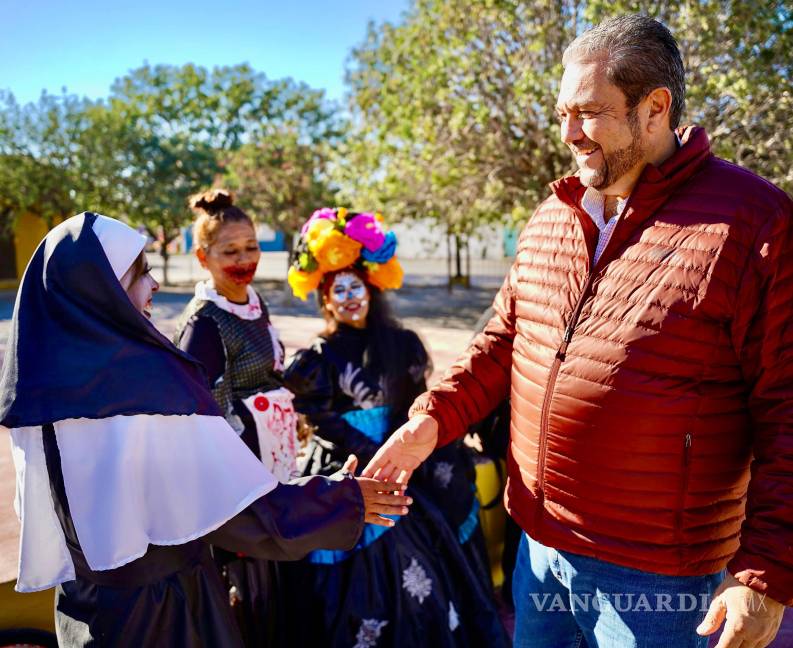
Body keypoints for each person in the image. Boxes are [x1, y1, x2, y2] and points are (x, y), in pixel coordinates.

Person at [364, 14, 792, 648]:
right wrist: (428, 423)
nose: (568, 134)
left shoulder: (754, 223)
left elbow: (786, 408)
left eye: (588, 113)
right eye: (563, 112)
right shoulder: (554, 215)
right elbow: (503, 342)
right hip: (537, 548)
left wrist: (764, 574)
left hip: (658, 583)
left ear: (655, 108)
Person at [0, 211, 410, 648]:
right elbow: (228, 505)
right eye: (141, 274)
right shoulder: (147, 382)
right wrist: (340, 498)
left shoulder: (41, 385)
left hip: (85, 606)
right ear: (104, 291)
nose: (155, 285)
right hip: (165, 610)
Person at [280, 208, 508, 647]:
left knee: (435, 523)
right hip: (346, 463)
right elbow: (321, 421)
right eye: (337, 290)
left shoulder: (402, 345)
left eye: (355, 287)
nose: (348, 297)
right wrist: (368, 453)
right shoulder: (316, 359)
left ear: (371, 290)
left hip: (406, 459)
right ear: (324, 300)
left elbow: (420, 405)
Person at [174, 189, 296, 646]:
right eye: (230, 251)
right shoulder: (204, 322)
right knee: (249, 593)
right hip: (240, 478)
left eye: (251, 247)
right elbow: (201, 414)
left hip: (271, 461)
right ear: (203, 258)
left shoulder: (250, 300)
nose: (244, 259)